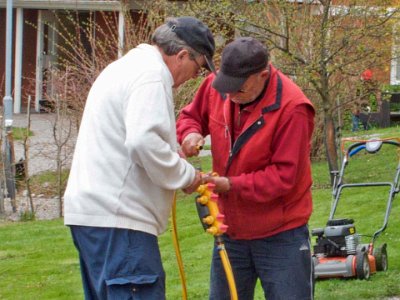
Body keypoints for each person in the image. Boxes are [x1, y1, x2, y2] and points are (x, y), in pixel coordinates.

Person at [64, 16, 215, 299]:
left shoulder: (126, 67)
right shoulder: (151, 74)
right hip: (121, 219)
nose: (195, 77)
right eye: (198, 68)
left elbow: (134, 140)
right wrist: (186, 175)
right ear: (182, 55)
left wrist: (171, 155)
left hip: (95, 216)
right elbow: (142, 140)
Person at [177, 37, 315, 300]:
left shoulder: (293, 108)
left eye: (237, 90)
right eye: (225, 87)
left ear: (262, 75)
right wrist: (190, 133)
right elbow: (190, 116)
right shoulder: (219, 86)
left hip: (281, 234)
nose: (228, 96)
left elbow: (284, 177)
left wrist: (231, 185)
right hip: (231, 233)